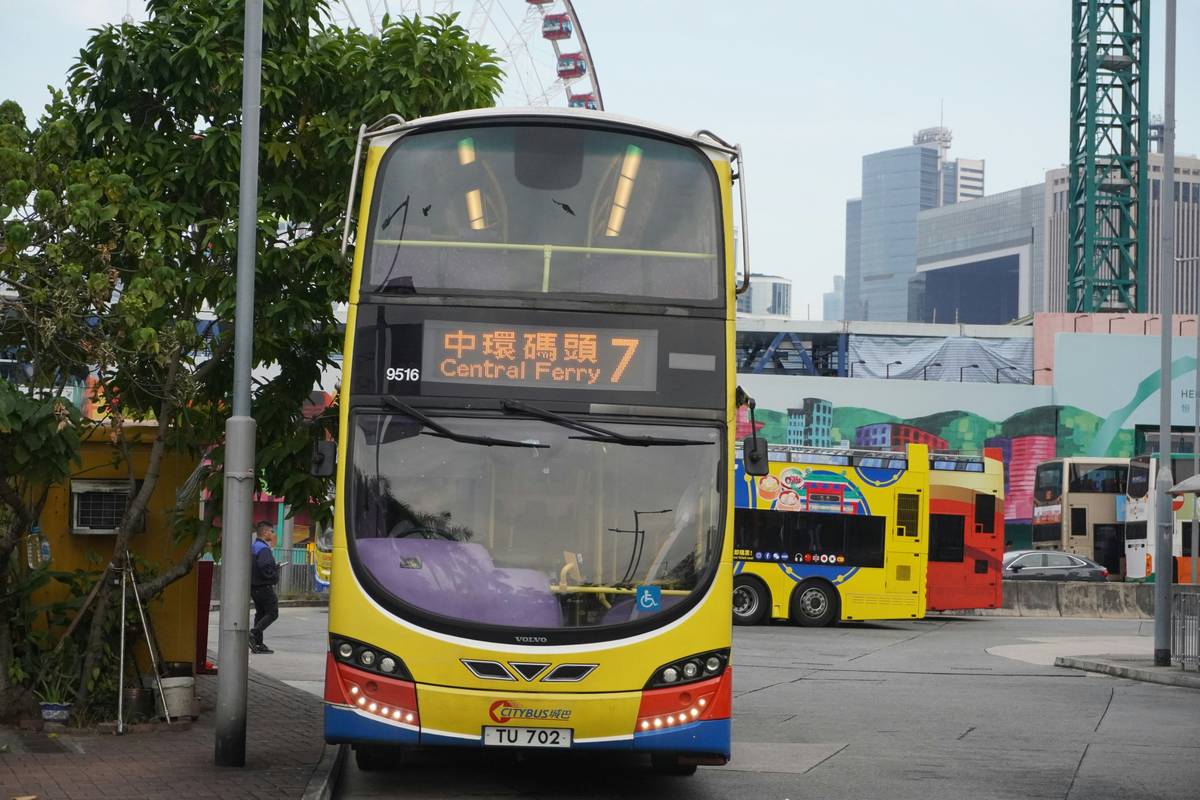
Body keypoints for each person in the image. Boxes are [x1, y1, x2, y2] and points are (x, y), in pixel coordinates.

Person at [250, 521, 280, 654]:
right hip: (264, 586)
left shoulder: (254, 546)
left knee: (261, 613)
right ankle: (254, 633)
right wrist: (273, 575)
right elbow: (264, 566)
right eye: (272, 531)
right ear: (265, 532)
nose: (273, 534)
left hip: (254, 587)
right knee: (273, 613)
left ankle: (257, 643)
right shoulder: (263, 549)